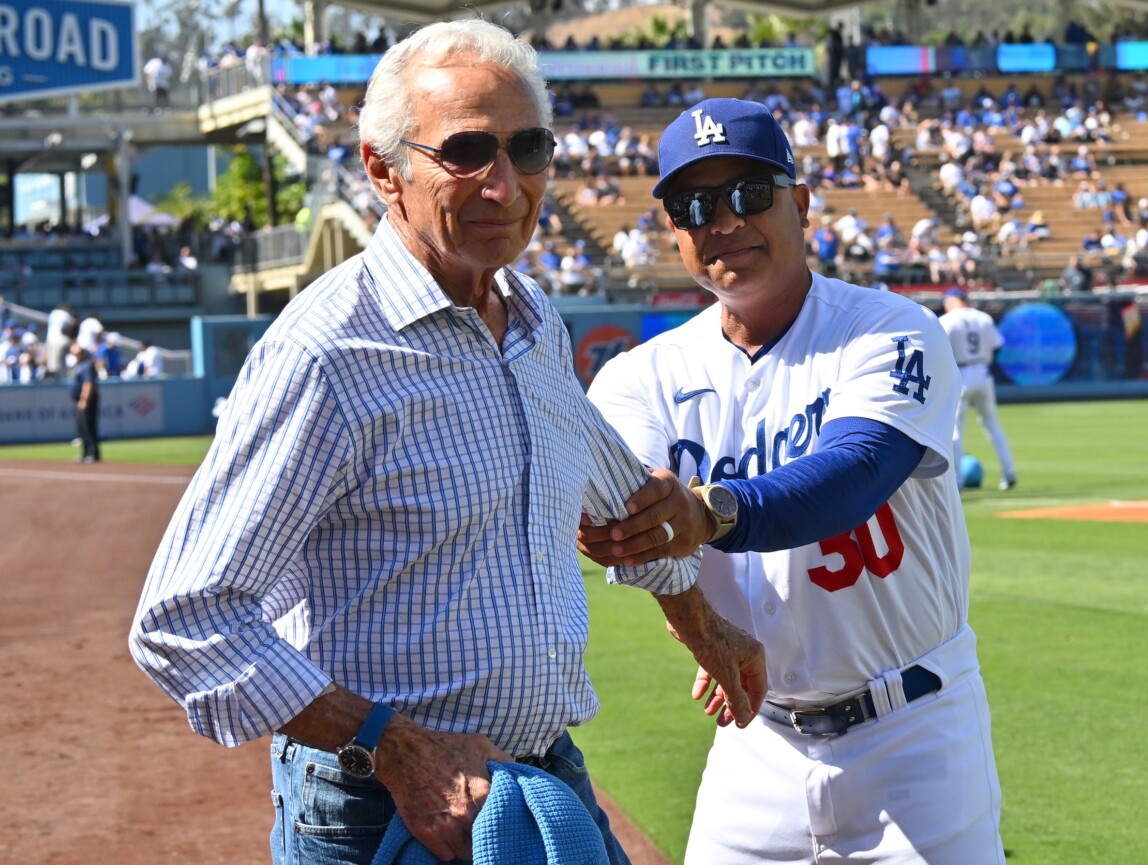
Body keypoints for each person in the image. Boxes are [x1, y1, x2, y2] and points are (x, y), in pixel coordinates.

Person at [128, 22, 764, 865]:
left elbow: (629, 512)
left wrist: (705, 628)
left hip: (543, 777)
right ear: (383, 169)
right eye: (466, 152)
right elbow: (183, 619)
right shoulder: (327, 353)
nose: (505, 185)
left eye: (527, 148)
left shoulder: (528, 317)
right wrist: (392, 747)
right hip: (378, 804)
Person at [577, 98, 1005, 865]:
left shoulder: (890, 330)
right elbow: (632, 528)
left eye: (749, 194)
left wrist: (708, 512)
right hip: (758, 737)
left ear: (800, 203)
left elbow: (854, 472)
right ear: (673, 229)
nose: (724, 220)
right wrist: (705, 629)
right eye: (695, 204)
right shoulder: (638, 379)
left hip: (915, 732)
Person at [938, 287, 1018, 491]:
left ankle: (957, 481)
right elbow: (997, 345)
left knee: (955, 428)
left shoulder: (947, 320)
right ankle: (1009, 473)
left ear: (953, 300)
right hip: (983, 372)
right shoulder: (983, 317)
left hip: (960, 373)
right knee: (992, 424)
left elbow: (937, 348)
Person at [69, 343, 100, 463]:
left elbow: (88, 384)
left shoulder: (86, 365)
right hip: (80, 401)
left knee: (88, 427)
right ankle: (85, 453)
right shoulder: (78, 366)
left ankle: (92, 454)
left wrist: (84, 399)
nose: (75, 355)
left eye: (77, 352)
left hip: (87, 401)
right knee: (82, 428)